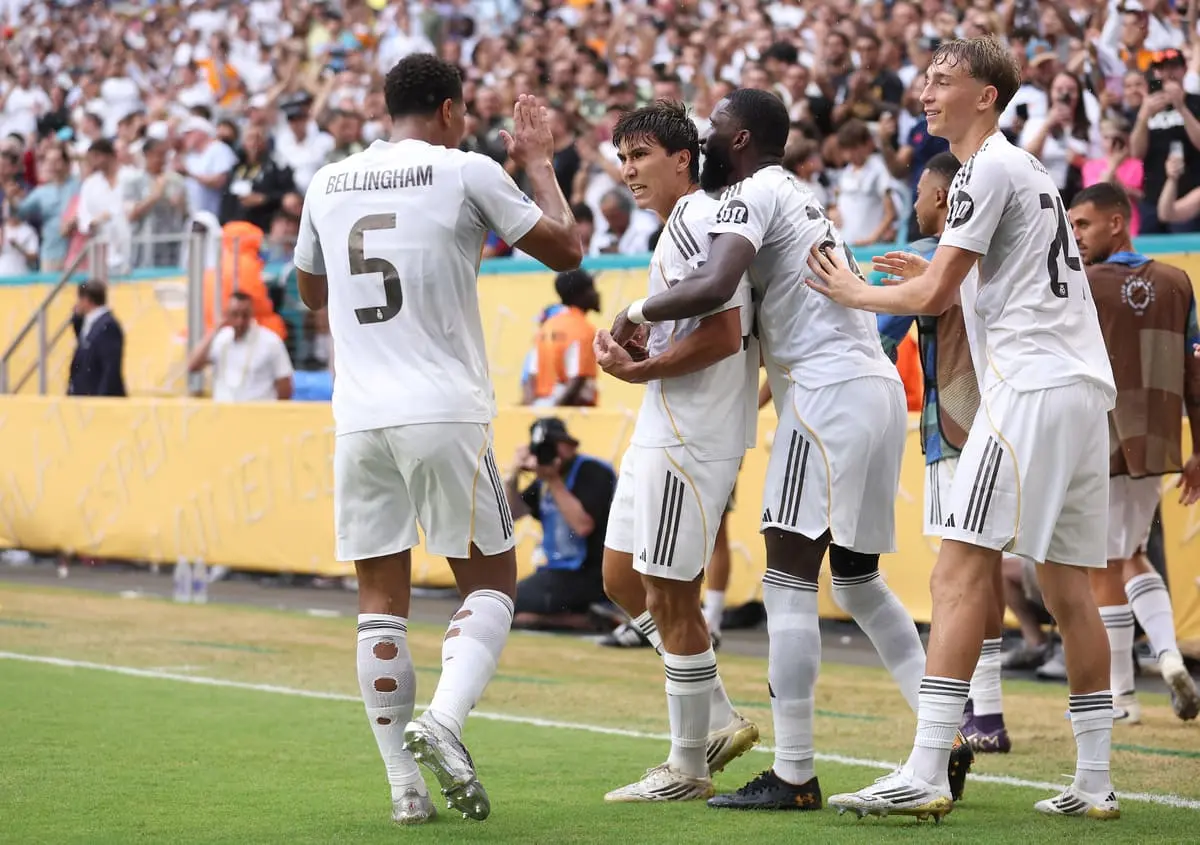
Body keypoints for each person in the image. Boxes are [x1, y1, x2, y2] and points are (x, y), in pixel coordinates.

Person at [610, 88, 972, 811]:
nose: (707, 143)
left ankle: (796, 772)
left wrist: (634, 310)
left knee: (788, 579)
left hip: (826, 395)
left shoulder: (749, 194)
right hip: (867, 387)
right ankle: (948, 735)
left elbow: (715, 285)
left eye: (715, 132)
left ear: (741, 139)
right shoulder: (805, 198)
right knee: (861, 580)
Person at [807, 36, 1121, 821]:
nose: (924, 91)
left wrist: (851, 288)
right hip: (1080, 387)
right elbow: (969, 282)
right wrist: (925, 278)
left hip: (1032, 386)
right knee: (1068, 587)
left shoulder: (982, 169)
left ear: (986, 95)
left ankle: (926, 767)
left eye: (943, 80)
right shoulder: (1030, 170)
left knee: (957, 570)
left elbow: (937, 291)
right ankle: (1094, 782)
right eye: (924, 78)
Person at [292, 54, 581, 826]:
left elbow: (310, 291)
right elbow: (567, 250)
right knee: (491, 581)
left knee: (379, 602)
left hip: (359, 414)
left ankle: (403, 789)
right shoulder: (465, 170)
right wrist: (542, 166)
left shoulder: (326, 181)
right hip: (443, 408)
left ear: (388, 109)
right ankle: (445, 721)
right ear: (451, 110)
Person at [590, 100, 759, 802]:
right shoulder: (678, 230)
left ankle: (687, 764)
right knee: (622, 578)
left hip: (691, 434)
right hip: (665, 424)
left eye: (641, 156)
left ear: (682, 159)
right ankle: (717, 715)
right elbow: (698, 328)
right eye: (623, 157)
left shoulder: (696, 218)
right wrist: (646, 344)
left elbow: (723, 334)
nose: (628, 170)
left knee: (668, 591)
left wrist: (641, 365)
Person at [875, 152, 1012, 754]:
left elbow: (877, 339)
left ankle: (968, 714)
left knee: (956, 574)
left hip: (953, 428)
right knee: (989, 568)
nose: (914, 205)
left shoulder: (929, 259)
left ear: (942, 197)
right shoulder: (1004, 250)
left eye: (920, 193)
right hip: (1012, 420)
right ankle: (989, 710)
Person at [1068, 182, 1200, 723]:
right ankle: (1167, 655)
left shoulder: (1082, 283)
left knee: (1103, 563)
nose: (1075, 236)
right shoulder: (1177, 280)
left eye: (1083, 225)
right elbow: (1196, 371)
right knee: (1134, 552)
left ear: (1117, 223)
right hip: (1159, 439)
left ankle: (1121, 695)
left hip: (1097, 436)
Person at [504, 417, 617, 632]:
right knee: (504, 611)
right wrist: (513, 477)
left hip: (590, 572)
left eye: (552, 446)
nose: (549, 454)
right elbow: (510, 514)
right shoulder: (544, 479)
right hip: (558, 572)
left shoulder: (593, 471)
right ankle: (579, 619)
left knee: (503, 609)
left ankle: (582, 618)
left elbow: (583, 526)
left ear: (569, 445)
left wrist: (553, 480)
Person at [186, 291, 294, 403]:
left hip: (257, 415)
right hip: (223, 414)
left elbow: (284, 385)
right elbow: (193, 366)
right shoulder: (220, 338)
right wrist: (215, 329)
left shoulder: (271, 341)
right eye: (235, 314)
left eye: (245, 315)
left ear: (252, 314)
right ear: (227, 314)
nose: (240, 321)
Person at [67, 279, 126, 397]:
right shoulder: (90, 322)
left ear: (86, 300)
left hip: (97, 396)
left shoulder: (107, 326)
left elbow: (110, 367)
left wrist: (101, 400)